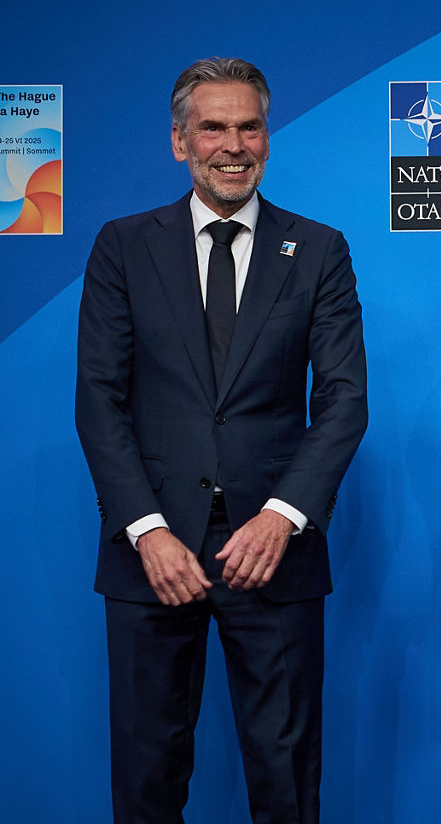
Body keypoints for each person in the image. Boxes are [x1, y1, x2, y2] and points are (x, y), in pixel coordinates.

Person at [75, 57, 368, 824]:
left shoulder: (319, 250)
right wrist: (146, 530)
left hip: (272, 554)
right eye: (213, 127)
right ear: (180, 142)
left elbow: (343, 401)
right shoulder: (123, 247)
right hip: (151, 553)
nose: (232, 144)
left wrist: (281, 517)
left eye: (249, 125)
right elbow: (99, 402)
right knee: (147, 777)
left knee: (286, 778)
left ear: (267, 137)